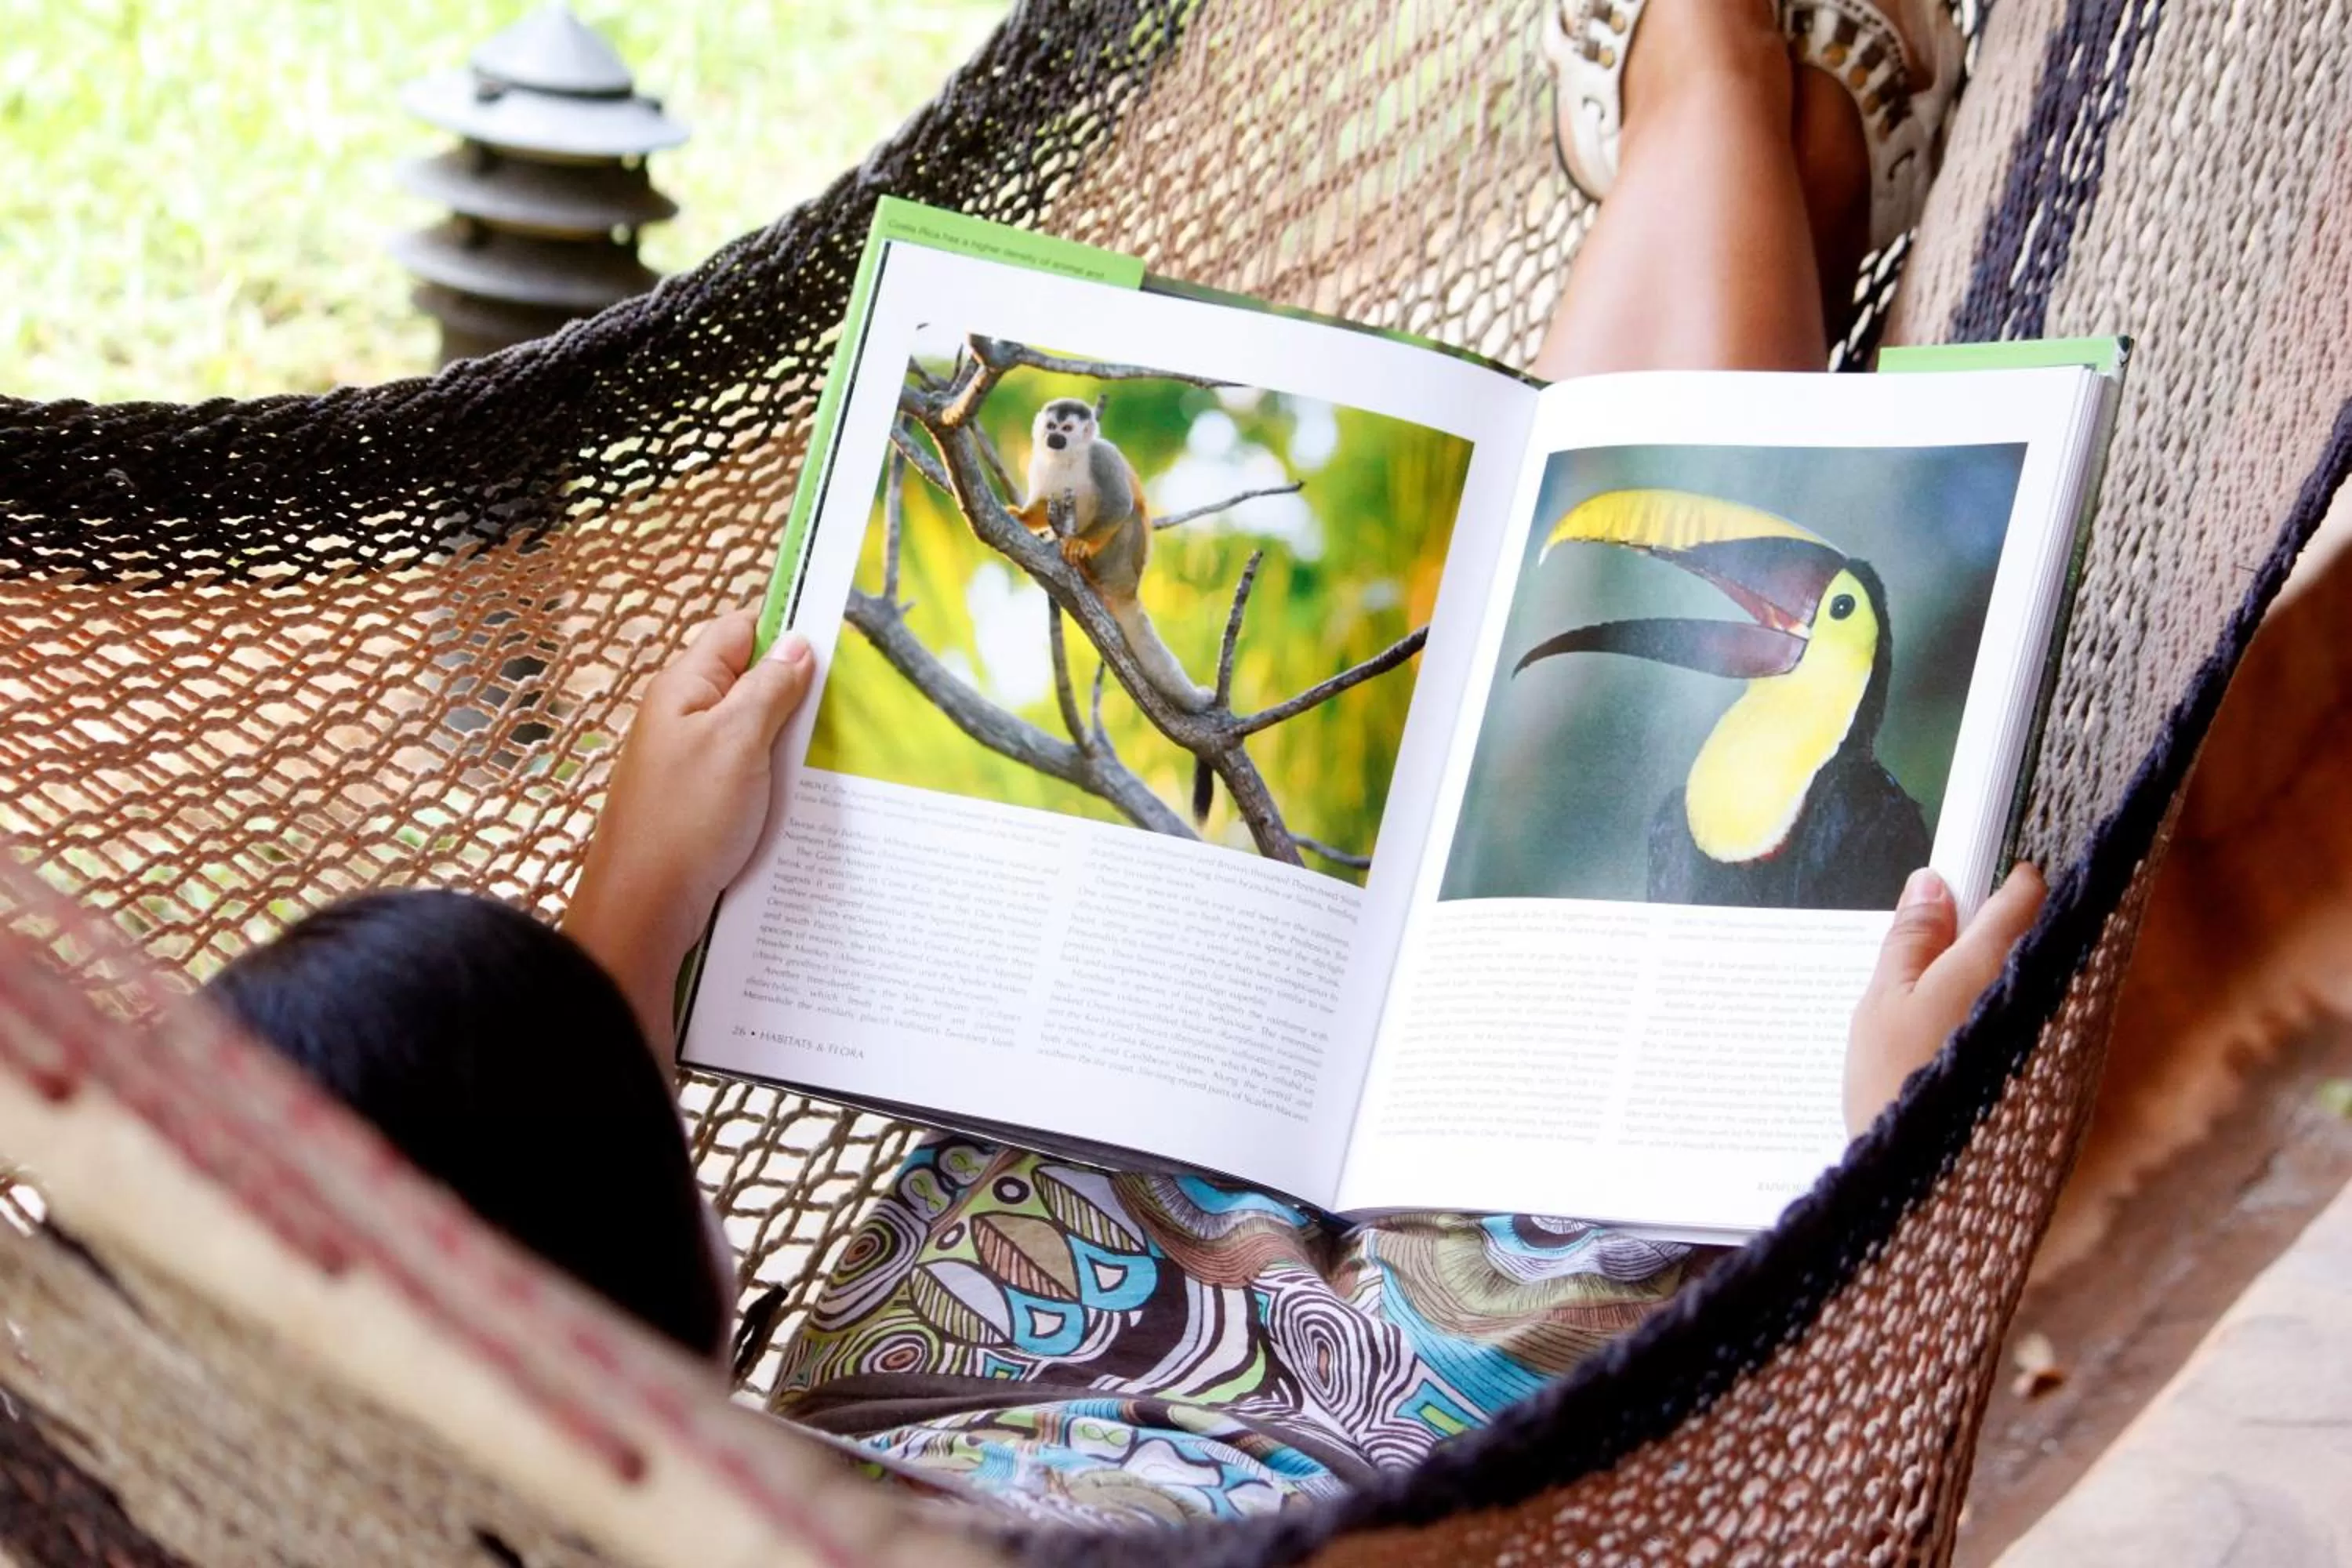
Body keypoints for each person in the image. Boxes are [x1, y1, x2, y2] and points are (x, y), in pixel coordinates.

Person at [212, 0, 2046, 1527]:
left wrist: (635, 903)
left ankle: (1747, 124)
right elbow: (1781, 1496)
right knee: (1567, 1030)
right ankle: (1732, 96)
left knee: (1409, 823)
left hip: (1049, 1287)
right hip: (1434, 1438)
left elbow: (520, 1279)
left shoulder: (410, 1483)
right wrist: (1905, 1178)